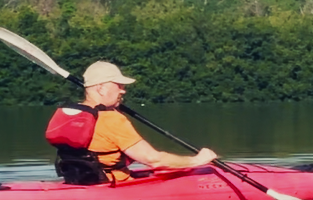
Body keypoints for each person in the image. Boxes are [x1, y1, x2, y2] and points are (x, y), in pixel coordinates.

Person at [54, 60, 217, 184]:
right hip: (112, 185)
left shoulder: (73, 113)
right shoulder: (111, 119)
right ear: (101, 88)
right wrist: (196, 161)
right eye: (119, 85)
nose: (123, 90)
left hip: (79, 181)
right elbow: (154, 160)